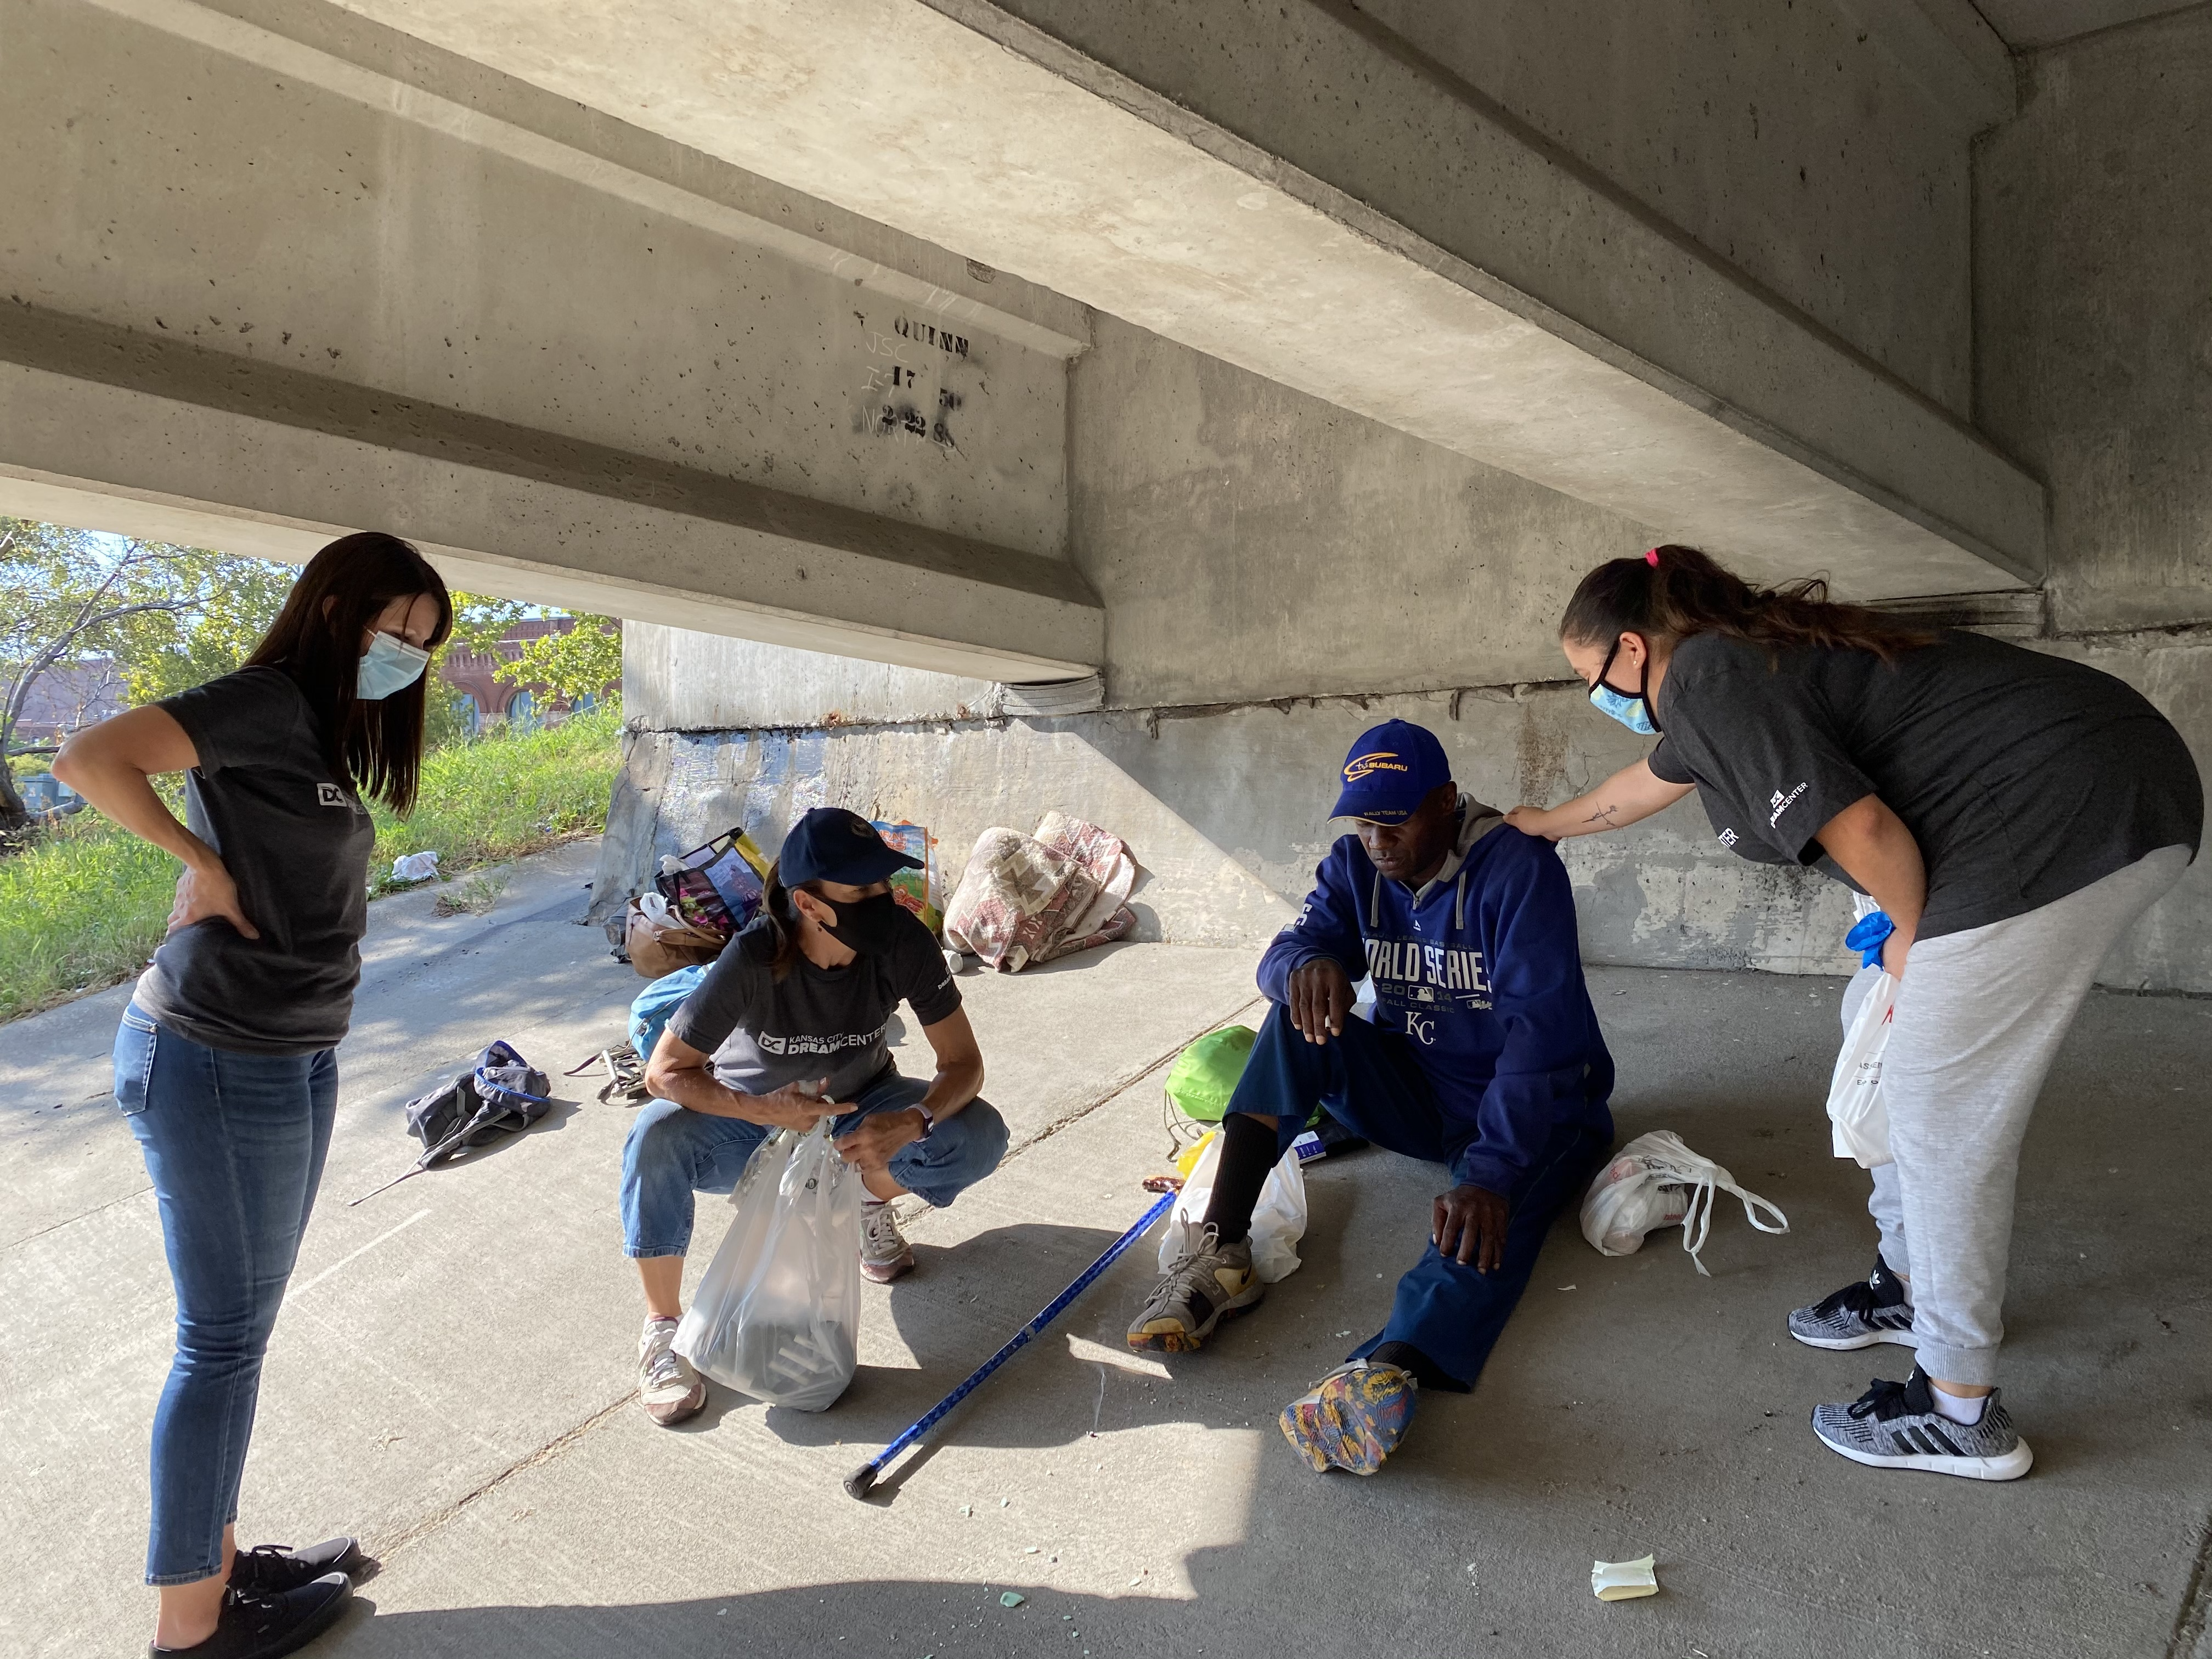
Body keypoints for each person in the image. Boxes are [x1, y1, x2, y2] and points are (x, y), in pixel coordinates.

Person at [1507, 544, 2202, 1481]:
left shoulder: (1708, 676)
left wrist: (1910, 929)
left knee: (1934, 1105)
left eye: (1591, 677)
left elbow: (1865, 828)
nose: (1596, 694)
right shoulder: (1727, 674)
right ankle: (1912, 1284)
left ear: (1632, 649)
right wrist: (1538, 823)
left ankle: (1957, 1407)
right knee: (1867, 1026)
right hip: (2094, 787)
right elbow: (1636, 788)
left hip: (2061, 810)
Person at [54, 533, 453, 1657]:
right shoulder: (267, 700)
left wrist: (222, 856)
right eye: (395, 634)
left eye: (423, 646)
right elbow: (87, 759)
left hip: (289, 1050)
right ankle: (193, 1630)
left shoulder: (315, 727)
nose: (407, 660)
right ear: (334, 611)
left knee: (242, 1334)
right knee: (220, 1342)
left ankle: (215, 1562)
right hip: (218, 1050)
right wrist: (202, 862)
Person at [1126, 720, 1616, 1475]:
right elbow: (1287, 949)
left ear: (1447, 802)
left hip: (1537, 1109)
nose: (1379, 839)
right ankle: (1221, 1249)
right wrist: (1307, 965)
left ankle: (1391, 1366)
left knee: (1485, 1222)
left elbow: (1541, 1044)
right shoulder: (1356, 867)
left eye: (1397, 819)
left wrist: (1489, 1173)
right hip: (1420, 1090)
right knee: (1294, 1020)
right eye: (1364, 821)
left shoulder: (1519, 872)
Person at [624, 806, 1010, 1426]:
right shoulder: (755, 958)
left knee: (976, 1135)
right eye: (861, 890)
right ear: (809, 904)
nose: (882, 899)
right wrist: (761, 1108)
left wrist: (913, 1120)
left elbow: (962, 1064)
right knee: (654, 1139)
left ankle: (862, 1204)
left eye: (883, 884)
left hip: (861, 1114)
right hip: (753, 1128)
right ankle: (662, 1332)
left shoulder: (901, 942)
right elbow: (665, 1072)